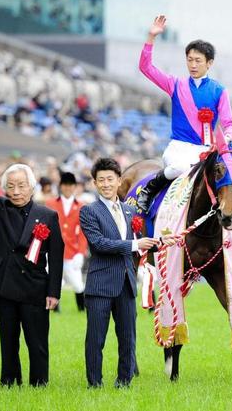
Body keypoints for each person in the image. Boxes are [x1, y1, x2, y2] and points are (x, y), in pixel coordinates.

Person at [0, 136, 63, 386]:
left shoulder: (48, 216)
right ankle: (9, 381)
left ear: (32, 187)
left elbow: (57, 255)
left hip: (35, 287)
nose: (16, 191)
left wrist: (54, 292)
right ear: (5, 188)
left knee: (37, 340)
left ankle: (39, 383)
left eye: (21, 186)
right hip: (5, 285)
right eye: (11, 186)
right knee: (8, 339)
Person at [136, 14, 232, 213]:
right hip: (179, 148)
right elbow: (145, 67)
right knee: (182, 168)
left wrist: (223, 140)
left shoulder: (219, 91)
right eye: (189, 60)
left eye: (198, 60)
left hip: (205, 150)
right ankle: (150, 189)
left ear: (209, 63)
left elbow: (230, 126)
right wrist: (151, 37)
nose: (193, 65)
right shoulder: (175, 84)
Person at [80, 158, 162, 388]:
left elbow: (137, 241)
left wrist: (161, 242)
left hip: (126, 284)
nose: (106, 184)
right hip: (100, 286)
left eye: (110, 179)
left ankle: (124, 382)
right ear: (95, 183)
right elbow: (99, 244)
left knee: (128, 339)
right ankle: (94, 383)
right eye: (101, 180)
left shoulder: (129, 211)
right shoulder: (89, 211)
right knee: (96, 340)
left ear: (119, 181)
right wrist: (136, 246)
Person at [45, 172, 88, 311]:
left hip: (71, 251)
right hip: (52, 250)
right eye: (65, 185)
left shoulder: (81, 206)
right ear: (61, 186)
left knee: (77, 283)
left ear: (74, 187)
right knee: (52, 281)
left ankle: (82, 309)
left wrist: (81, 253)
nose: (68, 188)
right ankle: (54, 309)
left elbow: (82, 233)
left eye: (70, 185)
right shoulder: (50, 204)